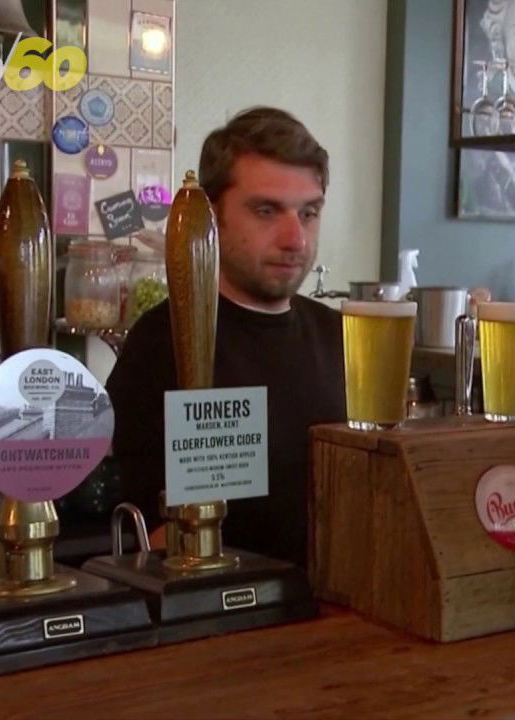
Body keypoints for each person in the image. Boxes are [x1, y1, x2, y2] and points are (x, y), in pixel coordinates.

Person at [107, 107, 344, 567]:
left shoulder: (340, 337)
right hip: (218, 611)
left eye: (309, 212)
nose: (295, 238)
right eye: (266, 210)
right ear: (211, 216)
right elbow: (137, 533)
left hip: (343, 612)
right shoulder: (161, 343)